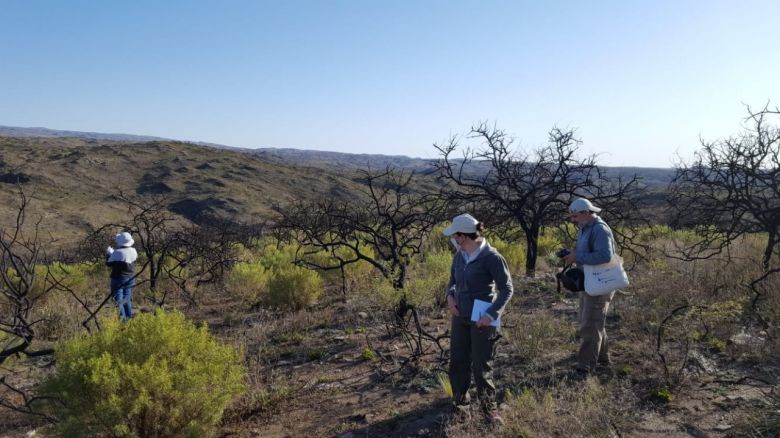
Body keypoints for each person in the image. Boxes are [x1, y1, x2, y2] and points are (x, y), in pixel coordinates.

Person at [443, 213, 513, 425]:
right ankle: (460, 406)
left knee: (482, 367)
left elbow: (507, 289)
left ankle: (489, 411)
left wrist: (491, 314)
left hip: (483, 317)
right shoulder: (460, 255)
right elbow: (453, 281)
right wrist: (450, 296)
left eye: (455, 235)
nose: (453, 239)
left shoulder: (492, 257)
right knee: (458, 362)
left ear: (463, 236)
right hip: (460, 317)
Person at [562, 198, 617, 376]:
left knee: (590, 324)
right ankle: (602, 358)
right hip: (590, 282)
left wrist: (578, 257)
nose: (573, 220)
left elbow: (605, 256)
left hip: (599, 284)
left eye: (575, 216)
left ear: (586, 213)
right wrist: (573, 254)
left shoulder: (600, 229)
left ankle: (585, 367)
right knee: (594, 321)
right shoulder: (586, 228)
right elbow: (588, 252)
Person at [106, 231, 138, 320]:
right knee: (126, 299)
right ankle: (129, 319)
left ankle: (123, 322)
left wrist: (109, 254)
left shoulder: (117, 252)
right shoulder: (133, 250)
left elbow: (108, 263)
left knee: (118, 301)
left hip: (118, 279)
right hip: (130, 278)